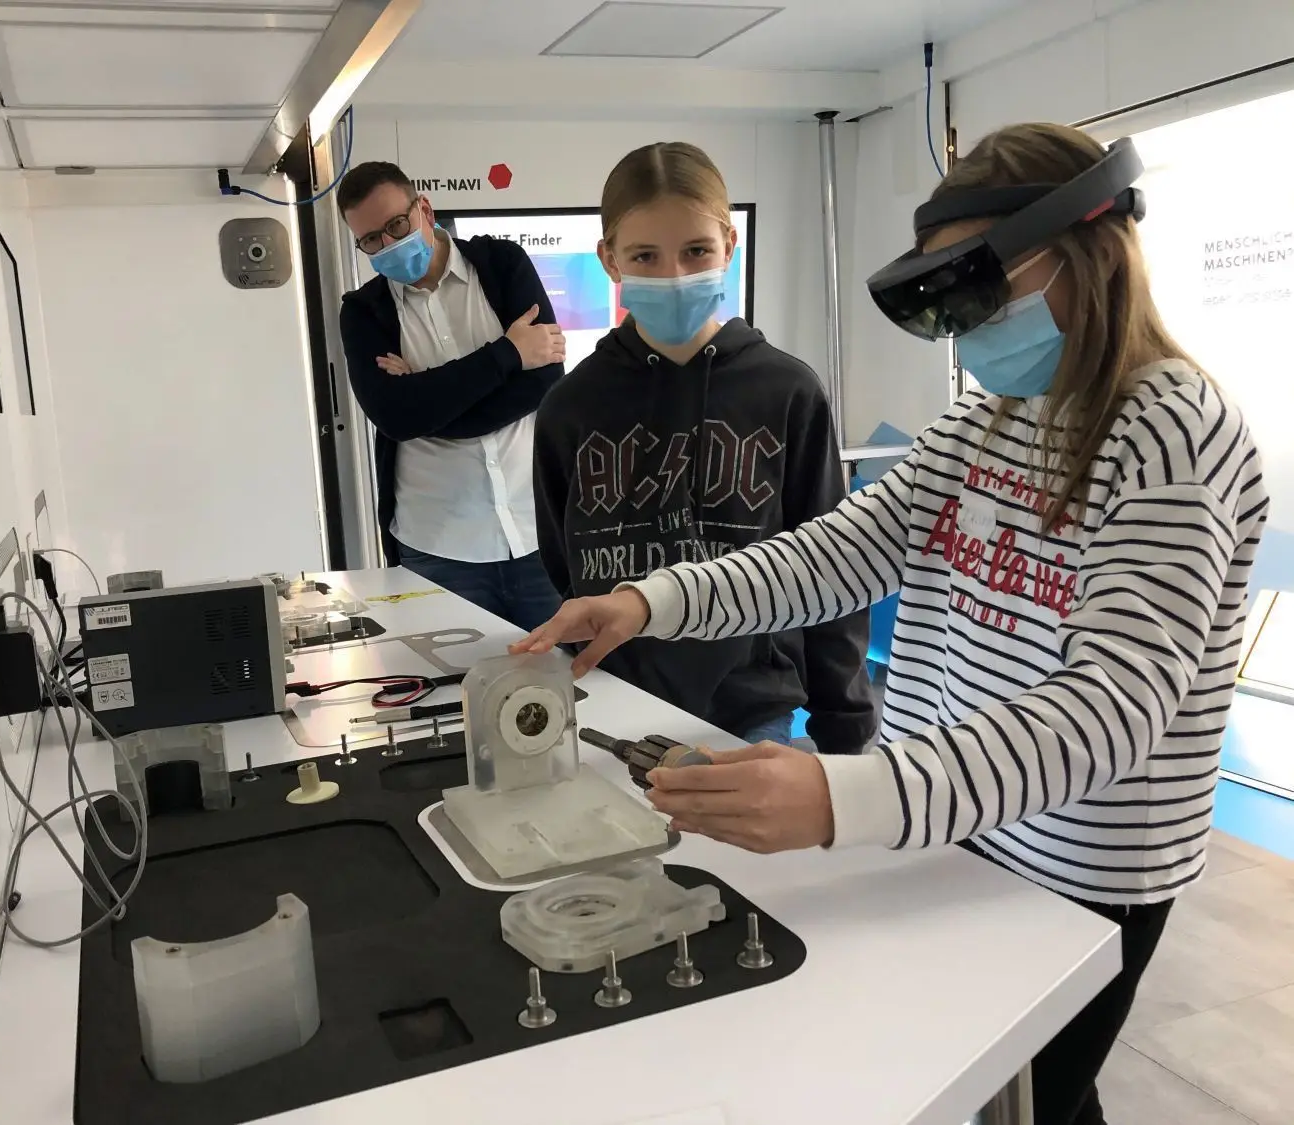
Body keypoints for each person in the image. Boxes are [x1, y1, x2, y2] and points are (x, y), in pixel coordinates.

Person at [513, 123, 1267, 1125]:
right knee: (1013, 1089)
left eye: (981, 287)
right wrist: (654, 600)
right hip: (954, 826)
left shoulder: (1172, 431)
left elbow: (1109, 713)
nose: (967, 327)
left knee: (1024, 1093)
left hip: (1079, 862)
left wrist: (845, 796)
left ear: (1085, 250)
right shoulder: (986, 422)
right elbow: (832, 556)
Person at [532, 141, 876, 751]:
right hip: (612, 700)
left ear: (729, 245)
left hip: (751, 704)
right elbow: (564, 565)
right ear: (610, 259)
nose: (674, 277)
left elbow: (831, 571)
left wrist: (844, 731)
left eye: (696, 251)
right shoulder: (570, 407)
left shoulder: (787, 392)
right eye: (645, 255)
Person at [337, 161, 566, 632]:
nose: (388, 243)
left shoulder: (502, 265)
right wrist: (508, 353)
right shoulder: (363, 313)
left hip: (538, 532)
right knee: (453, 679)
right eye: (371, 239)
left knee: (565, 672)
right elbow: (396, 417)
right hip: (438, 547)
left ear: (424, 208)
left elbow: (545, 380)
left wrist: (428, 395)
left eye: (396, 225)